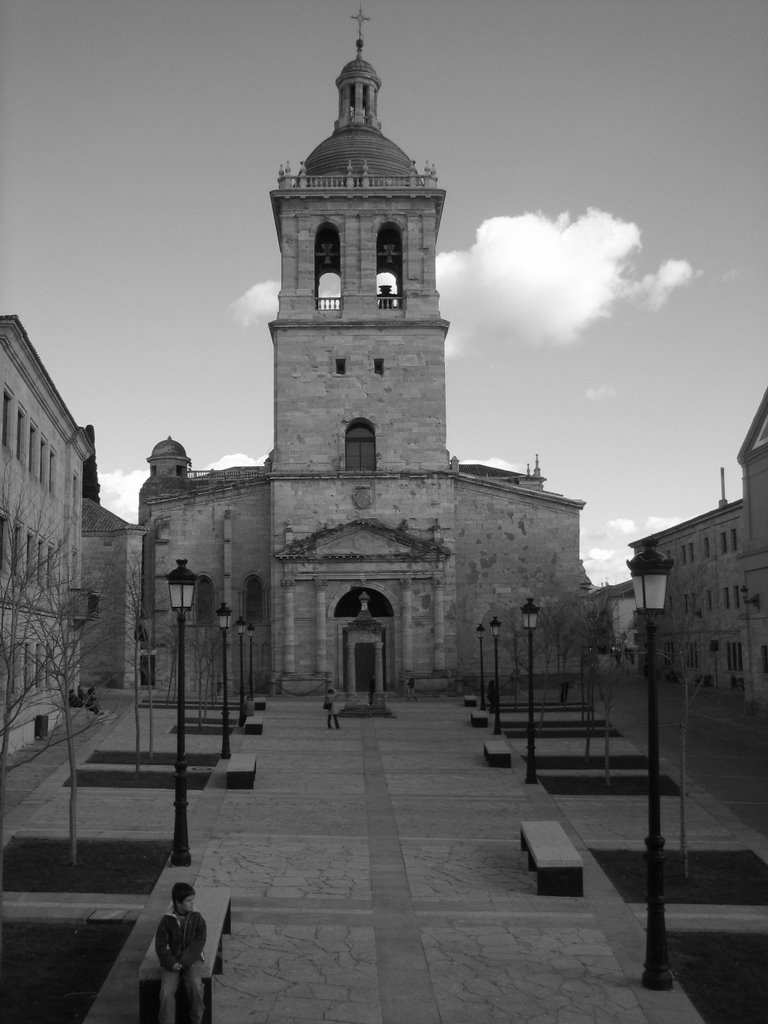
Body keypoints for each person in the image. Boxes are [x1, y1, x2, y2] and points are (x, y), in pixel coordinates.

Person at [154, 881, 207, 1024]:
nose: (192, 903)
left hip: (192, 959)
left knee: (196, 985)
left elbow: (199, 941)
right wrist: (171, 962)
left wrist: (184, 962)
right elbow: (160, 945)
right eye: (188, 901)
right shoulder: (166, 920)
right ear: (178, 903)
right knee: (165, 992)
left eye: (192, 899)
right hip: (171, 961)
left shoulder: (197, 917)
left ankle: (196, 1019)